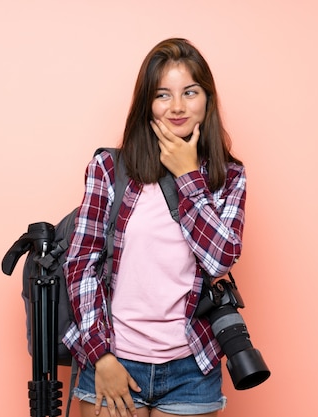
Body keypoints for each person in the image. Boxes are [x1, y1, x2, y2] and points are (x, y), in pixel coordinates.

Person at [63, 38, 246, 417]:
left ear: (207, 100)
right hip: (114, 359)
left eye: (190, 92)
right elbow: (81, 264)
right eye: (163, 94)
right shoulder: (110, 170)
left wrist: (188, 175)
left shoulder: (229, 177)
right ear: (147, 102)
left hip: (191, 370)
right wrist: (101, 356)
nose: (177, 107)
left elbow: (220, 260)